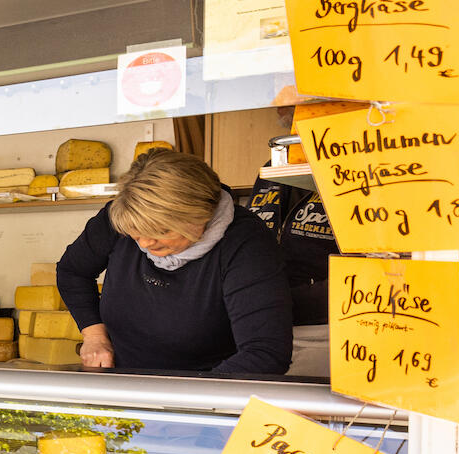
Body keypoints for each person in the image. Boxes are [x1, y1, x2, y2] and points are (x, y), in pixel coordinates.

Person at [57, 150, 291, 375]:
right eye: (135, 233)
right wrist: (94, 336)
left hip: (207, 394)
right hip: (122, 382)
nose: (146, 242)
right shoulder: (124, 215)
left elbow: (265, 353)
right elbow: (72, 271)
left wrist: (185, 402)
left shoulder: (246, 243)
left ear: (200, 215)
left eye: (162, 230)